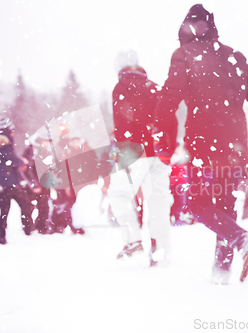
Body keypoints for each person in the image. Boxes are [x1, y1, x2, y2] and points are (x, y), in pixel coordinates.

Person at [154, 4, 248, 283]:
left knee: (197, 205)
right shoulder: (233, 56)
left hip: (204, 144)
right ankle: (220, 274)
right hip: (236, 146)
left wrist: (163, 142)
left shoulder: (183, 55)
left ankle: (246, 243)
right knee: (224, 206)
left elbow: (168, 100)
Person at [108, 51, 172, 267]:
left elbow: (124, 118)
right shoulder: (155, 87)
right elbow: (169, 118)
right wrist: (166, 148)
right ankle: (160, 252)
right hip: (159, 152)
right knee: (158, 202)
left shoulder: (122, 86)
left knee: (118, 194)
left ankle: (132, 239)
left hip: (133, 150)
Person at [0, 116, 34, 244]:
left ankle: (11, 234)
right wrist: (23, 161)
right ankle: (20, 232)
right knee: (20, 205)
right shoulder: (4, 144)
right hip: (6, 183)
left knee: (6, 210)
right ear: (9, 131)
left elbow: (5, 162)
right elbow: (12, 159)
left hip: (1, 183)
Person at [21, 133, 51, 234]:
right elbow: (25, 169)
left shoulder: (46, 151)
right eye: (46, 141)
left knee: (44, 206)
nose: (47, 144)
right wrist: (33, 184)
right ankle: (28, 228)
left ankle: (42, 227)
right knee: (28, 207)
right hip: (31, 185)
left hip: (44, 184)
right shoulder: (30, 150)